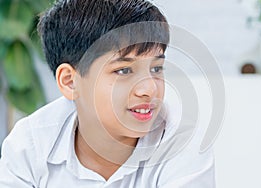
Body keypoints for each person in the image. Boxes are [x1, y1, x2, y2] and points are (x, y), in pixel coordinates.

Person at [0, 0, 215, 187]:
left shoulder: (180, 141)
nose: (149, 89)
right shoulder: (30, 144)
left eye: (156, 69)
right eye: (124, 70)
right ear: (70, 81)